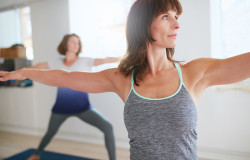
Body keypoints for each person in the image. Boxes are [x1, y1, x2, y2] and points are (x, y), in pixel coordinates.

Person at [1, 0, 250, 159]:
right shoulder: (122, 78)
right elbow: (65, 77)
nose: (176, 24)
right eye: (166, 17)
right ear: (143, 25)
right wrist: (25, 72)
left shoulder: (195, 72)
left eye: (177, 17)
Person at [25, 34, 118, 160]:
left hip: (83, 108)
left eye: (78, 43)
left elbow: (105, 60)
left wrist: (125, 57)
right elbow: (39, 66)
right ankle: (36, 154)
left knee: (108, 127)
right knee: (50, 132)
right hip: (61, 108)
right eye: (73, 41)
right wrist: (21, 71)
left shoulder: (85, 61)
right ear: (65, 44)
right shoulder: (56, 62)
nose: (76, 45)